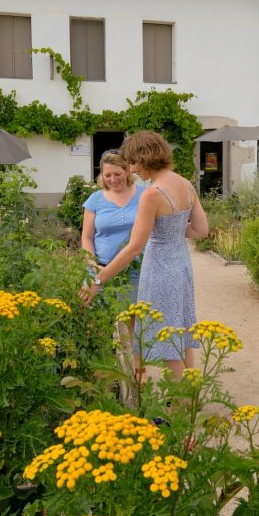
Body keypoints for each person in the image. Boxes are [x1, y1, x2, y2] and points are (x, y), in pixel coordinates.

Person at [79, 131, 209, 380]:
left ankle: (178, 410)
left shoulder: (152, 193)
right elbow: (201, 230)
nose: (132, 169)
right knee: (180, 335)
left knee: (167, 340)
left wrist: (98, 280)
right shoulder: (185, 184)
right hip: (182, 267)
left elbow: (134, 247)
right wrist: (170, 230)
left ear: (144, 157)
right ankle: (190, 400)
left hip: (159, 270)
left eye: (133, 163)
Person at [81, 150, 145, 305]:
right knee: (96, 321)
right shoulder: (95, 199)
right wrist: (92, 263)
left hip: (135, 270)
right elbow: (87, 237)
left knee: (132, 321)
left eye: (117, 174)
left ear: (127, 171)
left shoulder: (145, 195)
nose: (112, 179)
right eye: (107, 175)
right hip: (100, 268)